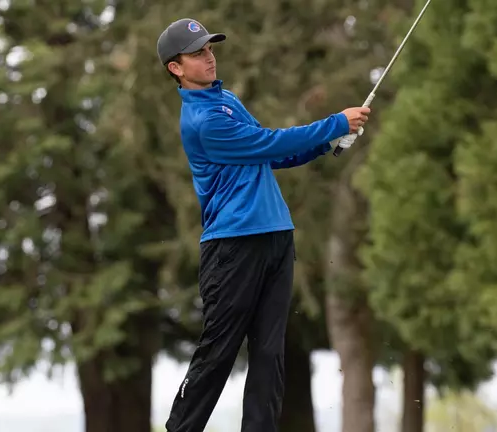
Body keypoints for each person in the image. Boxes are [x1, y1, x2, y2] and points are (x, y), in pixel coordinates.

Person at [156, 18, 371, 432]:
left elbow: (273, 157)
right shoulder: (202, 120)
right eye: (197, 53)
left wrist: (328, 143)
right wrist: (334, 124)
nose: (209, 57)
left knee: (270, 352)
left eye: (210, 49)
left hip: (275, 235)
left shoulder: (227, 101)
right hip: (232, 245)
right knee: (218, 351)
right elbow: (267, 142)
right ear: (176, 68)